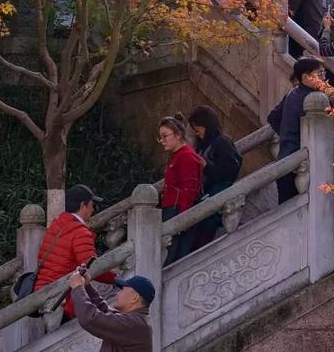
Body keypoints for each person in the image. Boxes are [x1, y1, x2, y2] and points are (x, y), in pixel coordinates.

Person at [34, 184, 116, 322]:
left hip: (43, 288)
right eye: (92, 205)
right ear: (83, 205)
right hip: (63, 296)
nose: (93, 210)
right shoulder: (81, 232)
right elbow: (91, 267)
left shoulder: (57, 224)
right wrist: (115, 278)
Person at [267, 57, 324, 204]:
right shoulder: (313, 98)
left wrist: (286, 134)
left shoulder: (292, 94)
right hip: (300, 162)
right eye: (319, 74)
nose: (323, 77)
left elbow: (273, 117)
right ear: (305, 77)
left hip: (286, 157)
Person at [187, 106, 243, 248]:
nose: (196, 132)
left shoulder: (222, 142)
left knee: (205, 227)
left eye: (197, 127)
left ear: (206, 124)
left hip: (215, 195)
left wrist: (206, 167)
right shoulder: (201, 145)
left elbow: (230, 170)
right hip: (202, 193)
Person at [69, 269, 153, 352]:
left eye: (122, 290)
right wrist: (87, 286)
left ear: (135, 297)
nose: (118, 293)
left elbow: (90, 318)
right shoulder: (137, 321)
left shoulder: (135, 324)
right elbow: (105, 311)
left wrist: (77, 288)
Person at [159, 114, 204, 266]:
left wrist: (182, 218)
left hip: (177, 210)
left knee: (172, 255)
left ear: (177, 135)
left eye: (165, 136)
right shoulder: (178, 155)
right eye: (160, 137)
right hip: (171, 208)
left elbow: (189, 188)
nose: (162, 141)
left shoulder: (186, 156)